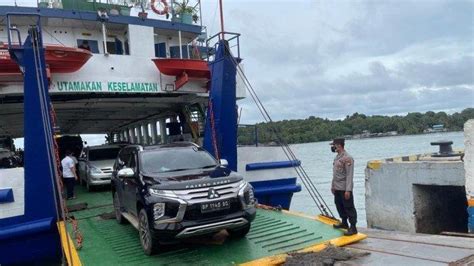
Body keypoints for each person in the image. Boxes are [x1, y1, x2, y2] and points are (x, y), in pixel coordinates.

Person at [330, 138, 358, 236]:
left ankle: (353, 227)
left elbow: (349, 175)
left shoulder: (347, 158)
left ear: (339, 145)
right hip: (337, 187)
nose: (333, 147)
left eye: (334, 145)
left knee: (349, 207)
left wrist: (348, 190)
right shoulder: (337, 157)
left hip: (344, 188)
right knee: (339, 205)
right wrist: (333, 185)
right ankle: (344, 223)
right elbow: (335, 174)